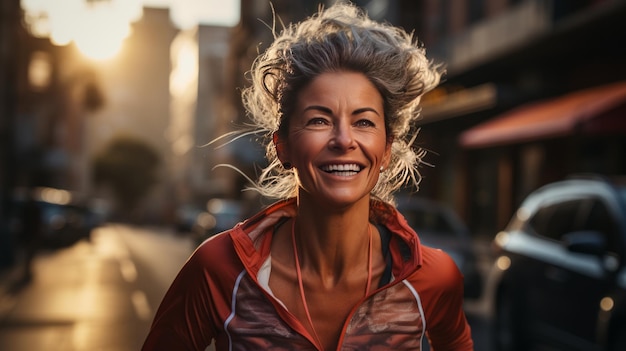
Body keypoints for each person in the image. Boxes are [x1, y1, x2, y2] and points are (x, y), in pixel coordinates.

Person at [142, 2, 474, 350]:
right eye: (319, 120)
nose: (344, 140)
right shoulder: (219, 268)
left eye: (363, 122)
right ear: (282, 147)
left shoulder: (433, 278)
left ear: (387, 149)